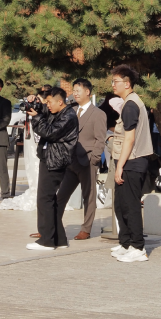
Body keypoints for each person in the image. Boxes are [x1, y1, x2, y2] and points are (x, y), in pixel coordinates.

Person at [109, 65, 154, 263]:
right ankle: (125, 242)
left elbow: (130, 138)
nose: (112, 85)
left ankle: (138, 247)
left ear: (127, 84)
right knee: (121, 205)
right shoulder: (130, 102)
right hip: (128, 161)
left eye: (115, 81)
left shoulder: (130, 105)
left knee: (131, 206)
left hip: (132, 162)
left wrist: (120, 166)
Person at [25, 87, 78, 251]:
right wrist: (33, 102)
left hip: (55, 161)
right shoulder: (59, 113)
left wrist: (36, 118)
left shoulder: (68, 116)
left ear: (60, 102)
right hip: (50, 158)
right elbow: (44, 115)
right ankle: (59, 239)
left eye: (50, 102)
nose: (48, 105)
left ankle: (47, 241)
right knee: (50, 200)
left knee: (44, 199)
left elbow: (49, 132)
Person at [54, 78, 107, 240]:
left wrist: (94, 159)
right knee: (61, 195)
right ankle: (51, 226)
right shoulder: (71, 111)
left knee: (88, 196)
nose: (75, 93)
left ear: (87, 92)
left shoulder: (98, 114)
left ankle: (86, 229)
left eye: (78, 90)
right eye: (74, 90)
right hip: (70, 161)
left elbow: (100, 139)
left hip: (87, 161)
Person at [0, 85, 51, 213]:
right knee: (32, 164)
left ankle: (44, 192)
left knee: (41, 165)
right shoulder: (35, 102)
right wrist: (30, 101)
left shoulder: (51, 106)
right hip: (31, 138)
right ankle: (35, 189)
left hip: (45, 140)